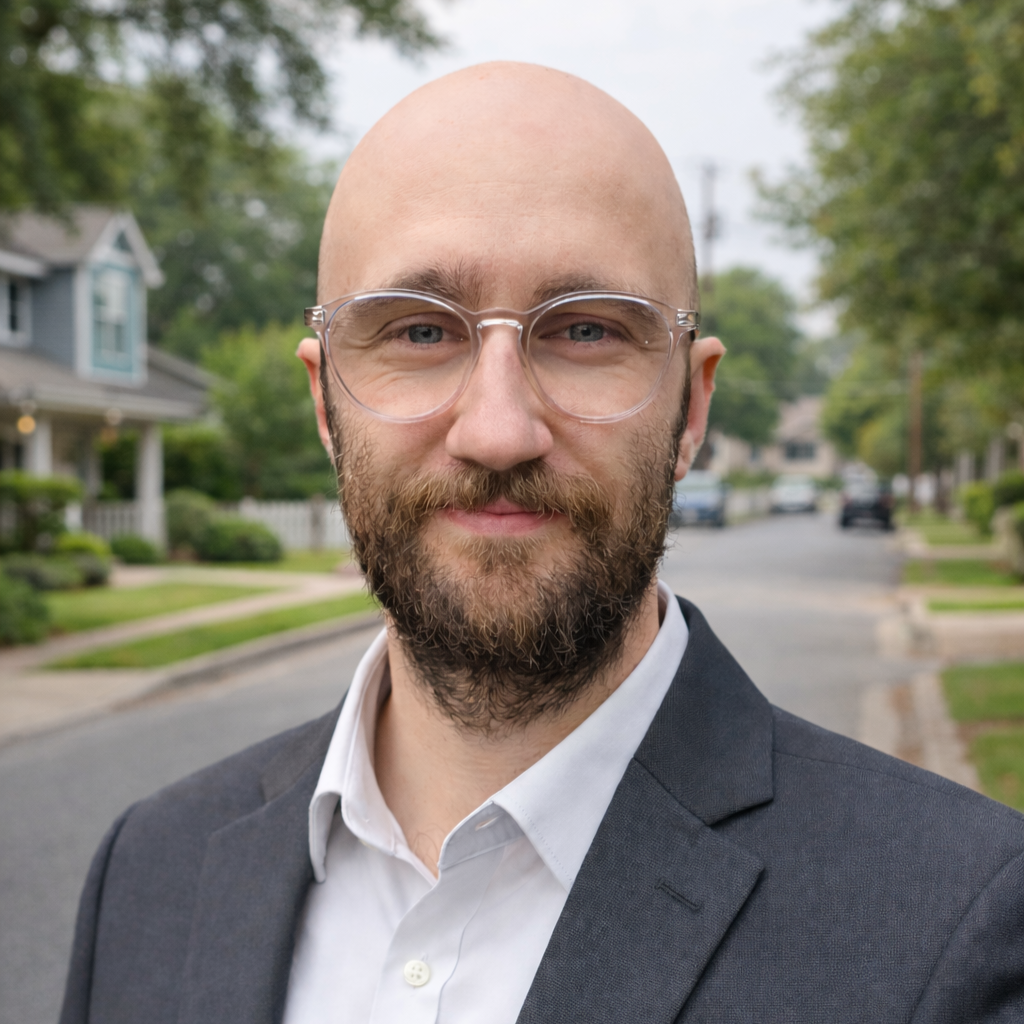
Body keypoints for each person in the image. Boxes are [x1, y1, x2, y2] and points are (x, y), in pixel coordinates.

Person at [60, 64, 1024, 1024]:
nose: (497, 431)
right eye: (420, 332)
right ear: (324, 402)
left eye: (587, 331)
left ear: (692, 408)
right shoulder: (149, 873)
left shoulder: (955, 925)